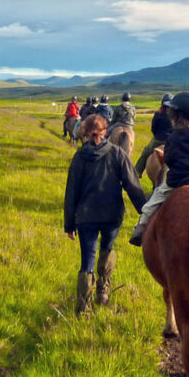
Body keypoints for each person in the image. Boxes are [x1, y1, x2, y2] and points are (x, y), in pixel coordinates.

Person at [64, 114, 147, 314]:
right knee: (107, 249)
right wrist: (145, 212)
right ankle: (103, 290)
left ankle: (84, 308)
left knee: (87, 260)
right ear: (105, 131)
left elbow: (71, 192)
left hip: (86, 217)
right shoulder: (118, 154)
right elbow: (133, 185)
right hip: (112, 216)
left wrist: (69, 225)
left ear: (83, 132)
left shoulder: (79, 157)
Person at [129, 91, 189, 246]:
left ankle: (140, 230)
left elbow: (168, 158)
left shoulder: (175, 135)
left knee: (151, 204)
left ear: (179, 116)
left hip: (177, 180)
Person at [134, 93, 173, 176]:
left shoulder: (158, 114)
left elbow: (153, 128)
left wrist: (157, 135)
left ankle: (137, 172)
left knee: (146, 153)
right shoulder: (174, 115)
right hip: (172, 140)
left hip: (158, 139)